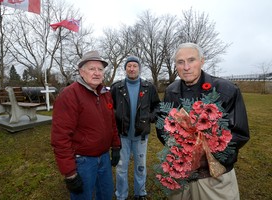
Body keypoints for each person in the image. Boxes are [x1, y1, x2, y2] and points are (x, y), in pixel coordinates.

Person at [157, 42, 250, 200]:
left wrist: (204, 154)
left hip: (212, 178)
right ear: (175, 65)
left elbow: (239, 133)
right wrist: (178, 150)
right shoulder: (171, 90)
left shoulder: (225, 90)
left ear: (202, 61)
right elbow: (163, 127)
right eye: (180, 62)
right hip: (181, 176)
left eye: (191, 60)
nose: (186, 67)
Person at [51, 50, 121, 200]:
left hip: (103, 157)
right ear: (81, 72)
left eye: (100, 69)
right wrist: (70, 173)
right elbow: (60, 137)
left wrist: (115, 146)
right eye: (91, 69)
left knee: (106, 195)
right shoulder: (69, 95)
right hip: (83, 161)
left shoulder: (105, 93)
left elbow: (111, 122)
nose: (97, 73)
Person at [110, 55, 160, 200]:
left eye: (135, 66)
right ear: (125, 68)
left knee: (140, 168)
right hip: (122, 135)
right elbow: (108, 107)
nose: (132, 69)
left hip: (141, 136)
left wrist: (150, 117)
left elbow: (157, 106)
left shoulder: (148, 87)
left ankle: (140, 193)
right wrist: (116, 117)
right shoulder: (116, 87)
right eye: (129, 66)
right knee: (121, 169)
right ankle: (121, 195)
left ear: (139, 68)